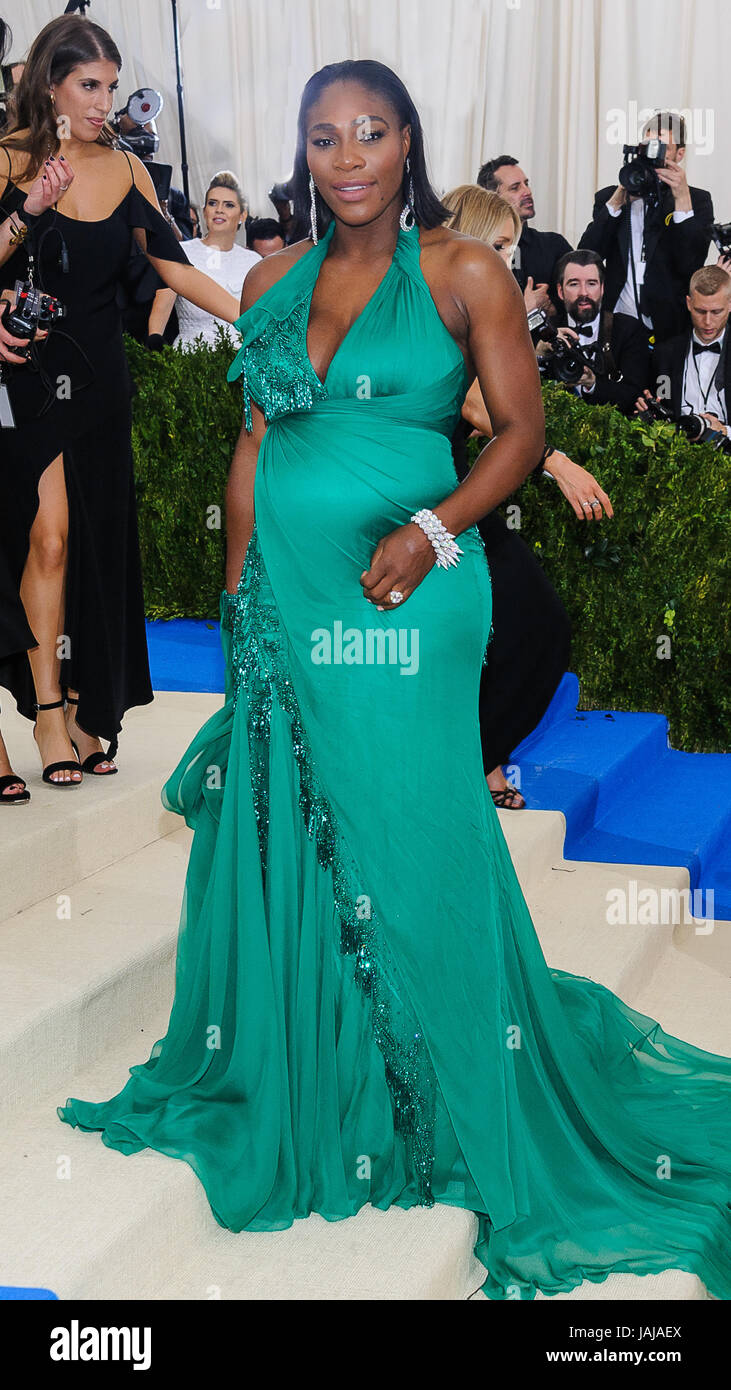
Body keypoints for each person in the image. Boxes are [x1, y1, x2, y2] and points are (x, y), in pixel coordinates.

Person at [57, 60, 731, 1302]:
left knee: (415, 825)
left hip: (411, 596)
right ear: (304, 154)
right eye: (323, 137)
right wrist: (238, 594)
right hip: (288, 601)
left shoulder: (462, 270)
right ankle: (337, 1065)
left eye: (370, 132)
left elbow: (520, 433)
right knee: (295, 823)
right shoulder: (270, 280)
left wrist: (430, 530)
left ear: (406, 140)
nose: (348, 156)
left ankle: (451, 1069)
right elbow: (255, 444)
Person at [0, 14, 239, 794]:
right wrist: (30, 207)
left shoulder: (129, 171)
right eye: (88, 85)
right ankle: (46, 712)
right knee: (48, 540)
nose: (104, 102)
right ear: (50, 85)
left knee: (91, 549)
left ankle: (78, 703)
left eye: (110, 86)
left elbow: (176, 268)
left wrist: (262, 319)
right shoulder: (8, 159)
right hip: (23, 378)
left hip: (101, 384)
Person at [442, 187, 609, 810]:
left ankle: (481, 754)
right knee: (530, 623)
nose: (507, 262)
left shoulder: (478, 304)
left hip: (459, 488)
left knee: (529, 626)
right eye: (500, 246)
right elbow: (477, 406)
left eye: (510, 249)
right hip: (423, 497)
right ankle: (472, 760)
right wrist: (557, 463)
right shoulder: (433, 303)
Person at [578, 111, 713, 345]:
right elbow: (587, 256)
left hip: (670, 326)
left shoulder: (697, 200)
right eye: (648, 146)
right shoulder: (609, 197)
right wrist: (618, 200)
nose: (653, 155)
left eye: (662, 148)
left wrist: (682, 200)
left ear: (680, 154)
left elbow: (690, 265)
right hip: (617, 322)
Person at [147, 171, 260, 350]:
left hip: (240, 357)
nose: (219, 209)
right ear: (205, 211)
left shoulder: (253, 261)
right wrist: (154, 346)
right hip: (191, 358)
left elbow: (260, 319)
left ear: (242, 215)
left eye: (229, 205)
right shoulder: (182, 252)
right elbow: (162, 307)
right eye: (213, 203)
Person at [550, 248, 650, 413]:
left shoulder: (628, 330)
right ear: (560, 291)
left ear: (602, 288)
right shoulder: (547, 331)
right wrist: (540, 353)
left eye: (591, 283)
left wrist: (593, 384)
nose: (584, 292)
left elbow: (634, 394)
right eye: (574, 284)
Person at [637, 264, 731, 435]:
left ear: (730, 304)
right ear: (689, 303)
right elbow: (663, 398)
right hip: (678, 445)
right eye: (700, 311)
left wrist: (725, 431)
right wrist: (650, 409)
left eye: (716, 312)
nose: (707, 322)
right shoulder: (665, 354)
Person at [477, 153, 571, 315]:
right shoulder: (478, 250)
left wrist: (552, 309)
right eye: (515, 188)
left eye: (526, 184)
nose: (527, 191)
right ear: (492, 199)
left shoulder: (554, 245)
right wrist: (526, 308)